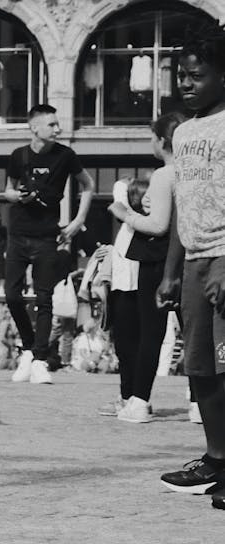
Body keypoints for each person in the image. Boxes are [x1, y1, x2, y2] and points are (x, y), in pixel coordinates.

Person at [154, 29, 225, 498]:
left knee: (224, 367)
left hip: (223, 258)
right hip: (194, 260)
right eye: (182, 76)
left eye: (197, 76)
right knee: (200, 369)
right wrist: (170, 271)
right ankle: (217, 460)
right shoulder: (183, 131)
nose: (187, 84)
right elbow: (183, 202)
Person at [3, 104, 95, 385]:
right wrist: (18, 197)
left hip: (47, 236)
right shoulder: (18, 156)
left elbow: (88, 185)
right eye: (52, 124)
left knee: (44, 298)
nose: (58, 129)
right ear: (35, 128)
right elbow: (7, 190)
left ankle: (39, 359)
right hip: (18, 233)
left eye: (58, 124)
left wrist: (77, 221)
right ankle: (30, 349)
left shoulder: (66, 156)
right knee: (12, 296)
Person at [104, 113, 180, 423]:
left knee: (151, 331)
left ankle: (139, 401)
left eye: (152, 137)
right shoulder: (196, 172)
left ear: (162, 141)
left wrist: (125, 214)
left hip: (159, 259)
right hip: (197, 255)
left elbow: (158, 224)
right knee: (197, 331)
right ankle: (198, 403)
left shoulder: (164, 175)